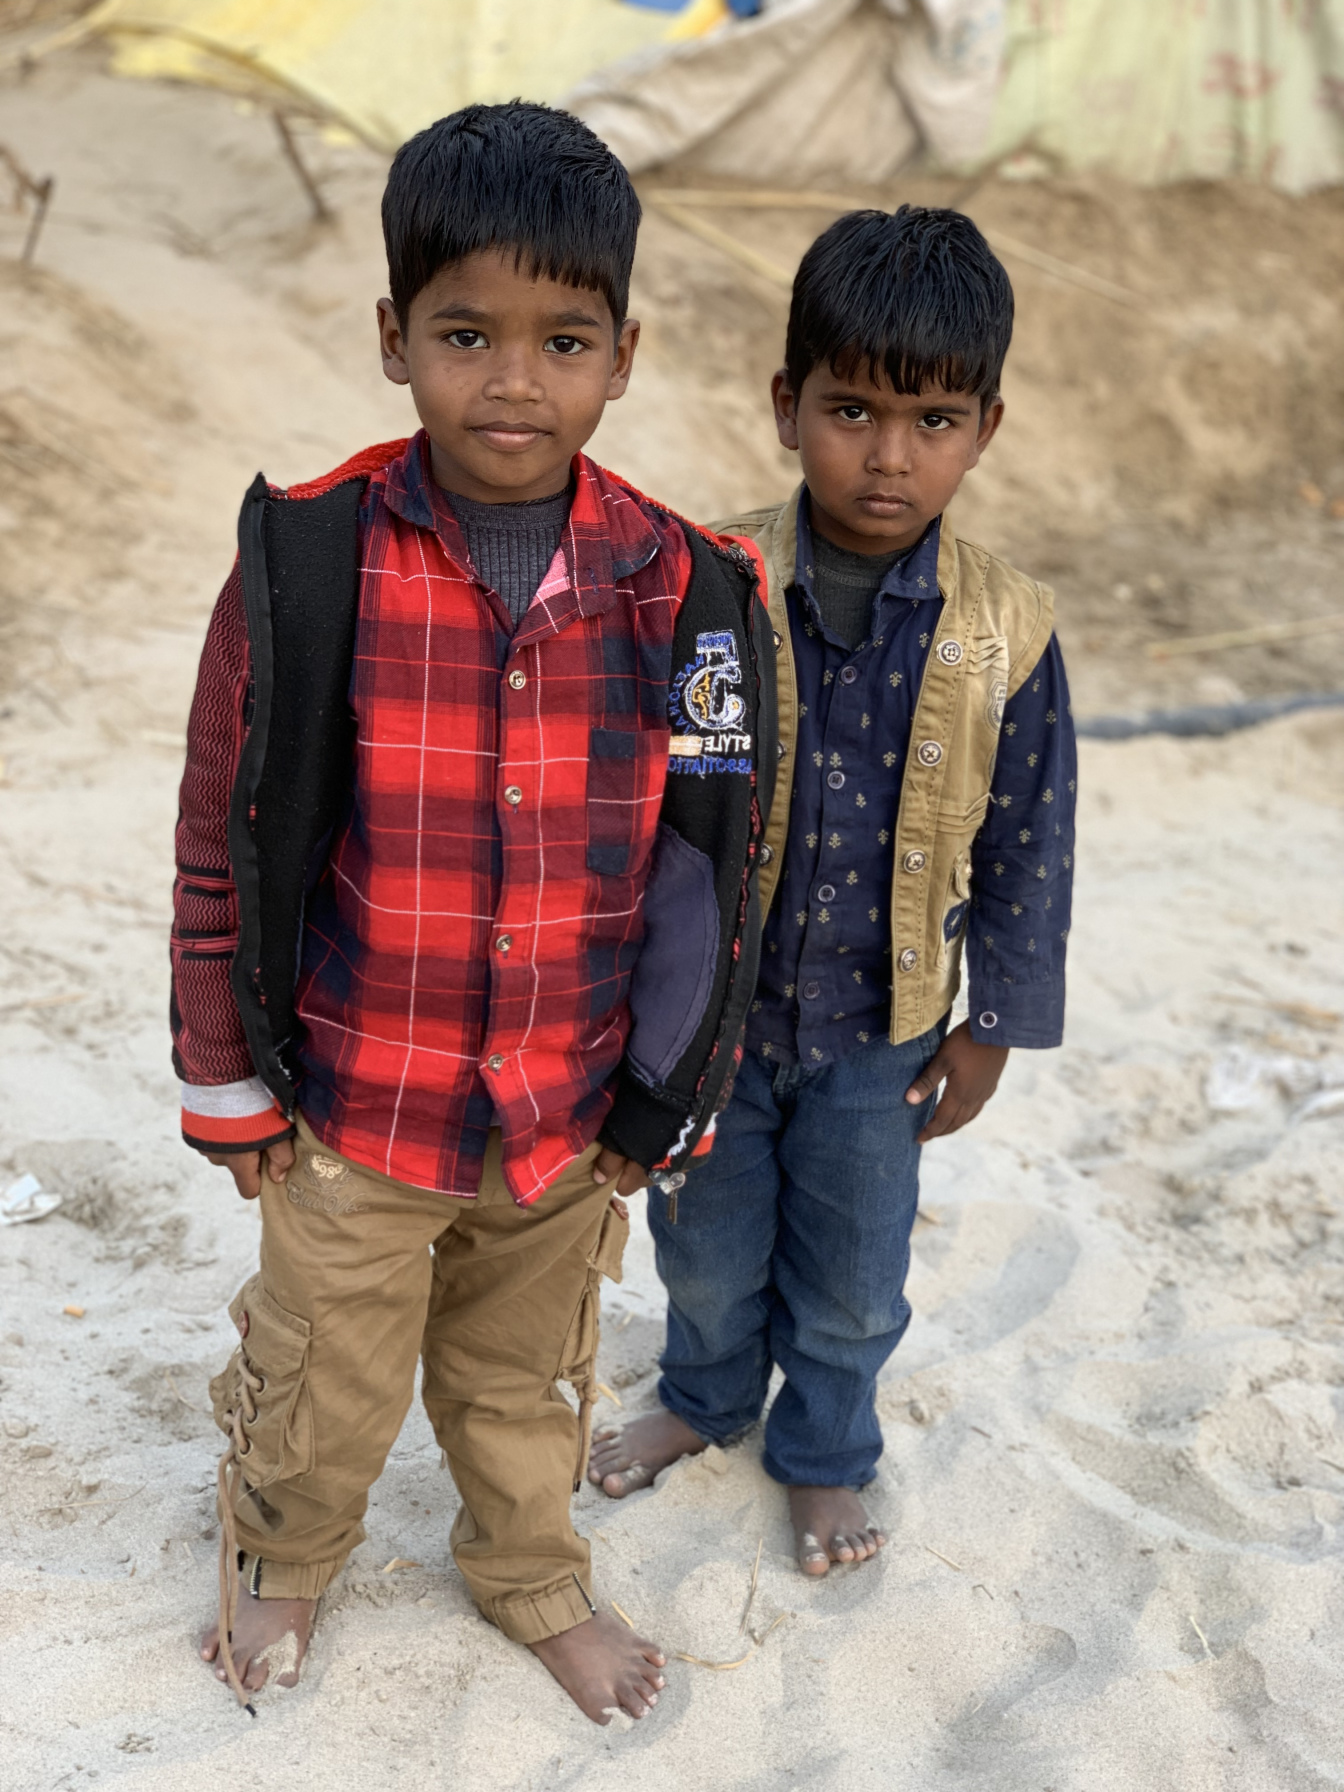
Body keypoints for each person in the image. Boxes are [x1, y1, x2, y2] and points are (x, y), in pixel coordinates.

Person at [171, 101, 775, 1723]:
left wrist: (674, 1091)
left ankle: (525, 1571)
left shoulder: (691, 589)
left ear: (624, 353)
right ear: (393, 337)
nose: (514, 379)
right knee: (324, 1375)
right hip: (358, 1103)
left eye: (562, 338)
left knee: (528, 1378)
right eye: (465, 333)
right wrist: (223, 1071)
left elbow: (714, 865)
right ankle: (287, 1555)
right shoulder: (310, 563)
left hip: (562, 1113)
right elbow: (219, 839)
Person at [589, 206, 1077, 1577]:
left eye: (931, 419)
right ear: (784, 405)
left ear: (985, 425)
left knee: (857, 1279)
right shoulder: (712, 582)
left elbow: (1031, 838)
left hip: (886, 1030)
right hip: (720, 1027)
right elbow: (654, 801)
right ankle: (701, 1396)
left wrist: (998, 1021)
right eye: (850, 409)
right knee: (704, 1247)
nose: (888, 453)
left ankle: (824, 1452)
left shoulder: (1007, 630)